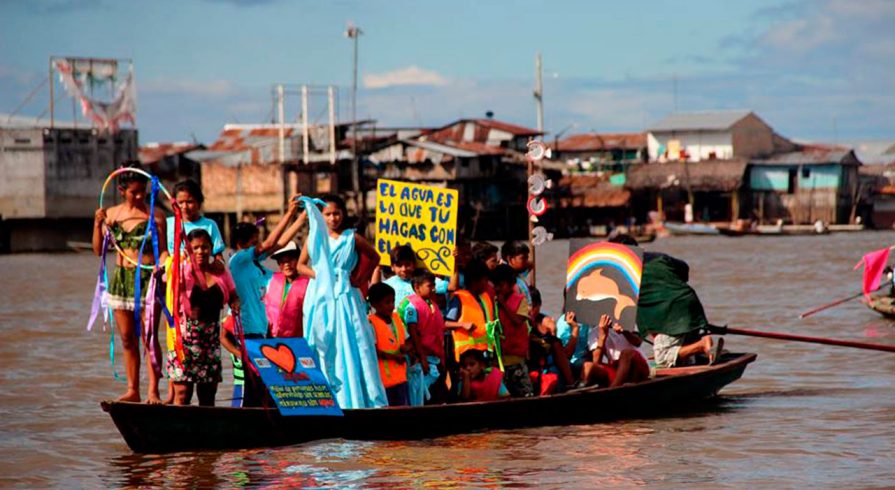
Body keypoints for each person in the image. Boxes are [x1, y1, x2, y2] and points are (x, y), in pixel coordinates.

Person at [298, 195, 387, 409]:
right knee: (322, 342)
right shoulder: (314, 237)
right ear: (321, 216)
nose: (333, 218)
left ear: (343, 214)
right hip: (320, 295)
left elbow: (375, 257)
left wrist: (359, 278)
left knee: (353, 342)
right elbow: (301, 265)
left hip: (345, 294)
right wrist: (320, 275)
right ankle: (324, 397)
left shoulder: (351, 237)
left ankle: (356, 400)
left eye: (336, 213)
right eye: (327, 214)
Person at [92, 168, 168, 403]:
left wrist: (163, 265)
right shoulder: (111, 215)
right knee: (126, 337)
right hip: (121, 280)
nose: (139, 197)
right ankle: (132, 389)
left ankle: (153, 391)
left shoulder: (156, 215)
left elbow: (164, 250)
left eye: (142, 192)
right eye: (134, 192)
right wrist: (97, 224)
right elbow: (98, 251)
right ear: (121, 190)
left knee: (149, 336)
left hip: (149, 280)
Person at [222, 196, 307, 406]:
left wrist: (303, 217)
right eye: (254, 242)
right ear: (243, 244)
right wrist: (288, 212)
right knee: (251, 389)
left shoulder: (254, 265)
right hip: (247, 332)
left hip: (261, 334)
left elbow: (277, 244)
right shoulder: (238, 260)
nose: (259, 246)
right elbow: (270, 244)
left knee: (261, 388)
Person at [608, 234, 723, 367]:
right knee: (686, 353)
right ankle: (700, 352)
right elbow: (684, 269)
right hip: (690, 302)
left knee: (662, 356)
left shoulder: (625, 272)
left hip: (671, 314)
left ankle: (702, 345)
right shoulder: (659, 257)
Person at [167, 229, 240, 406]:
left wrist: (235, 304)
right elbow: (167, 284)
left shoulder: (220, 271)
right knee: (183, 394)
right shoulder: (180, 270)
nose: (201, 252)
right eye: (196, 248)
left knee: (207, 396)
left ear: (211, 248)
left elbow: (233, 295)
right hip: (183, 341)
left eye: (205, 247)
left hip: (210, 343)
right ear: (188, 250)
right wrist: (178, 262)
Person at [401, 269, 447, 405]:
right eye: (430, 286)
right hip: (423, 360)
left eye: (434, 285)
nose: (433, 289)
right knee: (423, 397)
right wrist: (422, 359)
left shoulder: (432, 304)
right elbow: (414, 334)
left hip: (436, 357)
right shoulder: (412, 307)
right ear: (417, 287)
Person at [491, 264, 534, 397]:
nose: (498, 289)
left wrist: (503, 304)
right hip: (499, 359)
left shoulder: (520, 300)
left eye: (501, 285)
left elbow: (518, 321)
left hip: (516, 359)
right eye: (496, 285)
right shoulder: (491, 300)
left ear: (511, 284)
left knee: (524, 393)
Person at [367, 283, 412, 406]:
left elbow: (407, 341)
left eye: (393, 301)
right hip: (384, 381)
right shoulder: (371, 323)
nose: (391, 306)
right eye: (387, 302)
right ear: (375, 304)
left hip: (401, 378)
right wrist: (394, 357)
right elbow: (373, 351)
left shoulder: (396, 319)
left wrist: (406, 348)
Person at [444, 259, 495, 362]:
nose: (487, 283)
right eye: (485, 280)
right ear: (475, 281)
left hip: (484, 356)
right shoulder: (459, 298)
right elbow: (444, 323)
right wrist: (462, 324)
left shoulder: (485, 298)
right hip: (466, 359)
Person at [581, 314, 650, 388]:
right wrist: (602, 336)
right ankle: (581, 389)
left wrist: (624, 332)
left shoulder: (628, 320)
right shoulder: (594, 332)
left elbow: (638, 342)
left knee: (626, 353)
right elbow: (596, 362)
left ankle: (613, 388)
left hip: (636, 367)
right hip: (617, 369)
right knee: (587, 366)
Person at [165, 179, 225, 260]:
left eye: (189, 202)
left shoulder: (210, 225)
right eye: (180, 202)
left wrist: (218, 264)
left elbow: (218, 256)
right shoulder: (167, 224)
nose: (185, 206)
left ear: (199, 203)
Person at [266, 241, 310, 338]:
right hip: (272, 339)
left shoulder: (309, 285)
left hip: (297, 341)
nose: (287, 264)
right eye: (282, 261)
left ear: (299, 260)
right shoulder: (270, 280)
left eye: (290, 260)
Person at [500, 240, 533, 308]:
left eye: (527, 258)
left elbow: (531, 265)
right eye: (523, 258)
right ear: (510, 259)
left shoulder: (519, 274)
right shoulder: (506, 280)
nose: (526, 261)